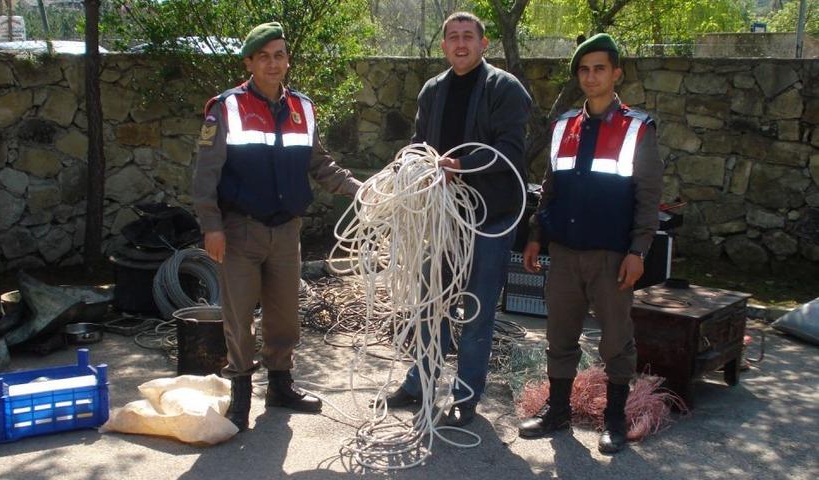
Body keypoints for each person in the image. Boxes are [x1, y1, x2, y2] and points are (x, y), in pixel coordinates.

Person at [191, 21, 362, 431]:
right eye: (264, 56)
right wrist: (211, 226)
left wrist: (360, 189)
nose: (273, 63)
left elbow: (320, 164)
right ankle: (241, 396)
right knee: (238, 319)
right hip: (238, 231)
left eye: (279, 55)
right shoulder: (225, 107)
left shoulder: (303, 107)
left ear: (287, 61)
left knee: (285, 317)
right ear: (249, 61)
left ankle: (281, 387)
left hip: (287, 232)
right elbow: (204, 175)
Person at [516, 33, 664, 454]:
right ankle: (557, 411)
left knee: (616, 339)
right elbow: (550, 189)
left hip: (612, 255)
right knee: (559, 335)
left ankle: (614, 419)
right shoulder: (564, 125)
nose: (591, 76)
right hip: (564, 252)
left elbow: (648, 197)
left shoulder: (637, 128)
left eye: (600, 68)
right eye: (584, 69)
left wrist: (638, 252)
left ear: (616, 73)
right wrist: (535, 236)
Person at [384, 12, 533, 427]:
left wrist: (460, 166)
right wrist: (409, 167)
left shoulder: (505, 88)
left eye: (469, 36)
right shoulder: (433, 90)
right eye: (453, 37)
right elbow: (419, 143)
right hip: (441, 218)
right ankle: (419, 383)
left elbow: (510, 152)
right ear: (444, 45)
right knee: (430, 303)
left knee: (476, 309)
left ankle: (466, 397)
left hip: (488, 220)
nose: (461, 43)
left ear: (484, 44)